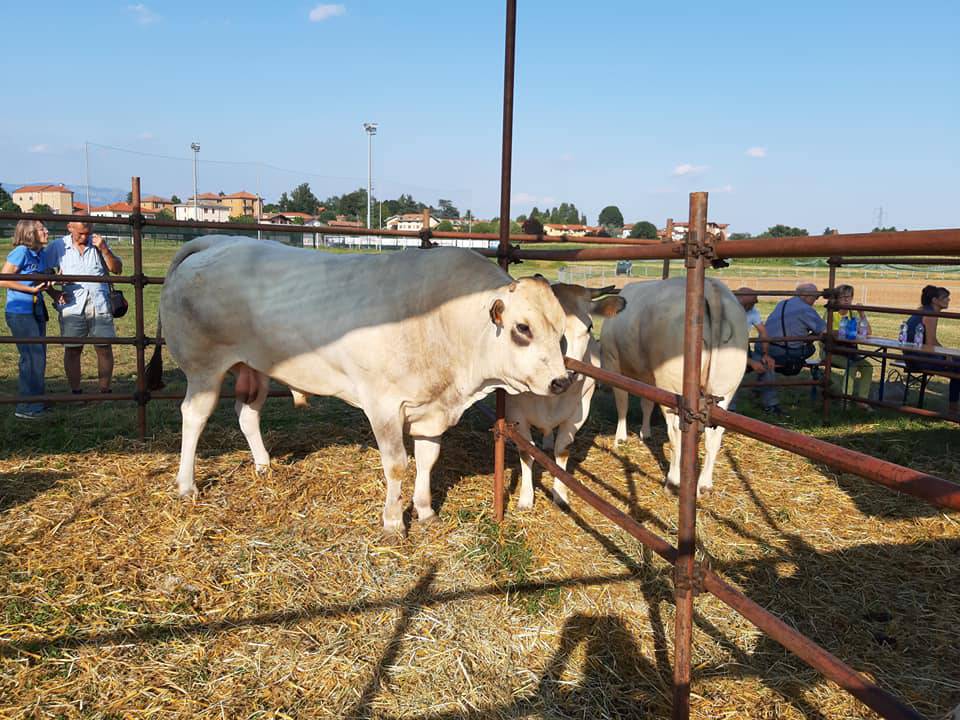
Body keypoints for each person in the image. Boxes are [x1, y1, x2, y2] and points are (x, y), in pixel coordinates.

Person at [44, 221, 123, 395]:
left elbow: (117, 269)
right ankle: (76, 391)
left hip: (99, 304)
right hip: (72, 306)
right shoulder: (58, 246)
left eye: (88, 233)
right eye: (80, 233)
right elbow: (43, 272)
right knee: (73, 349)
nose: (84, 237)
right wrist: (54, 293)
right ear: (69, 227)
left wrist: (104, 249)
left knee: (104, 347)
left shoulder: (98, 244)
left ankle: (105, 390)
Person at [1, 221, 58, 419]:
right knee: (31, 356)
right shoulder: (21, 252)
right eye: (42, 228)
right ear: (29, 233)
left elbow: (39, 279)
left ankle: (37, 401)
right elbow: (3, 278)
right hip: (20, 310)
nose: (46, 231)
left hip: (36, 308)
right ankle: (26, 406)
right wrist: (30, 290)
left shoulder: (40, 254)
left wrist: (54, 294)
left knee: (39, 356)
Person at [759, 282, 827, 416]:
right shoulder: (806, 309)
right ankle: (794, 366)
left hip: (764, 347)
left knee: (768, 363)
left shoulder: (782, 303)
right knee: (811, 348)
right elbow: (824, 331)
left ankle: (760, 391)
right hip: (784, 351)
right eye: (815, 297)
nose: (815, 300)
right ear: (806, 296)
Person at [904, 285, 958, 415]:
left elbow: (931, 342)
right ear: (935, 300)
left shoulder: (924, 310)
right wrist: (947, 354)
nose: (948, 300)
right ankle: (953, 408)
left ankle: (954, 406)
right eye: (945, 297)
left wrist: (947, 353)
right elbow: (930, 344)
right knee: (957, 367)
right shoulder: (930, 314)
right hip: (919, 359)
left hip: (912, 356)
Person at [825, 284, 874, 410]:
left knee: (867, 367)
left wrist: (862, 314)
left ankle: (861, 400)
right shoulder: (831, 312)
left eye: (849, 297)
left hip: (849, 352)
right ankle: (845, 400)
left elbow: (867, 332)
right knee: (851, 365)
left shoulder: (853, 314)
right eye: (843, 297)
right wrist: (846, 331)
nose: (847, 300)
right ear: (837, 299)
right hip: (832, 352)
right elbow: (826, 331)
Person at [728, 288, 775, 412]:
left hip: (743, 348)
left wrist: (766, 354)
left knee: (767, 365)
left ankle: (771, 404)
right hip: (726, 352)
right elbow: (728, 346)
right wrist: (751, 362)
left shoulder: (752, 311)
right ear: (741, 300)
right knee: (732, 372)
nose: (753, 305)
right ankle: (729, 409)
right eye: (751, 303)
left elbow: (763, 332)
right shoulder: (727, 312)